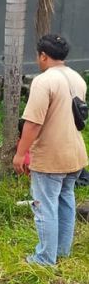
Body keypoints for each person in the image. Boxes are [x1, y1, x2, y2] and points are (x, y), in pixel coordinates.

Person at [13, 34, 88, 266]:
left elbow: (33, 123)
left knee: (44, 206)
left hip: (50, 156)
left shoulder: (44, 81)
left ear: (43, 56)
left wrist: (20, 154)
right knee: (65, 201)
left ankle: (45, 257)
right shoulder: (77, 78)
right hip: (74, 153)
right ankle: (62, 251)